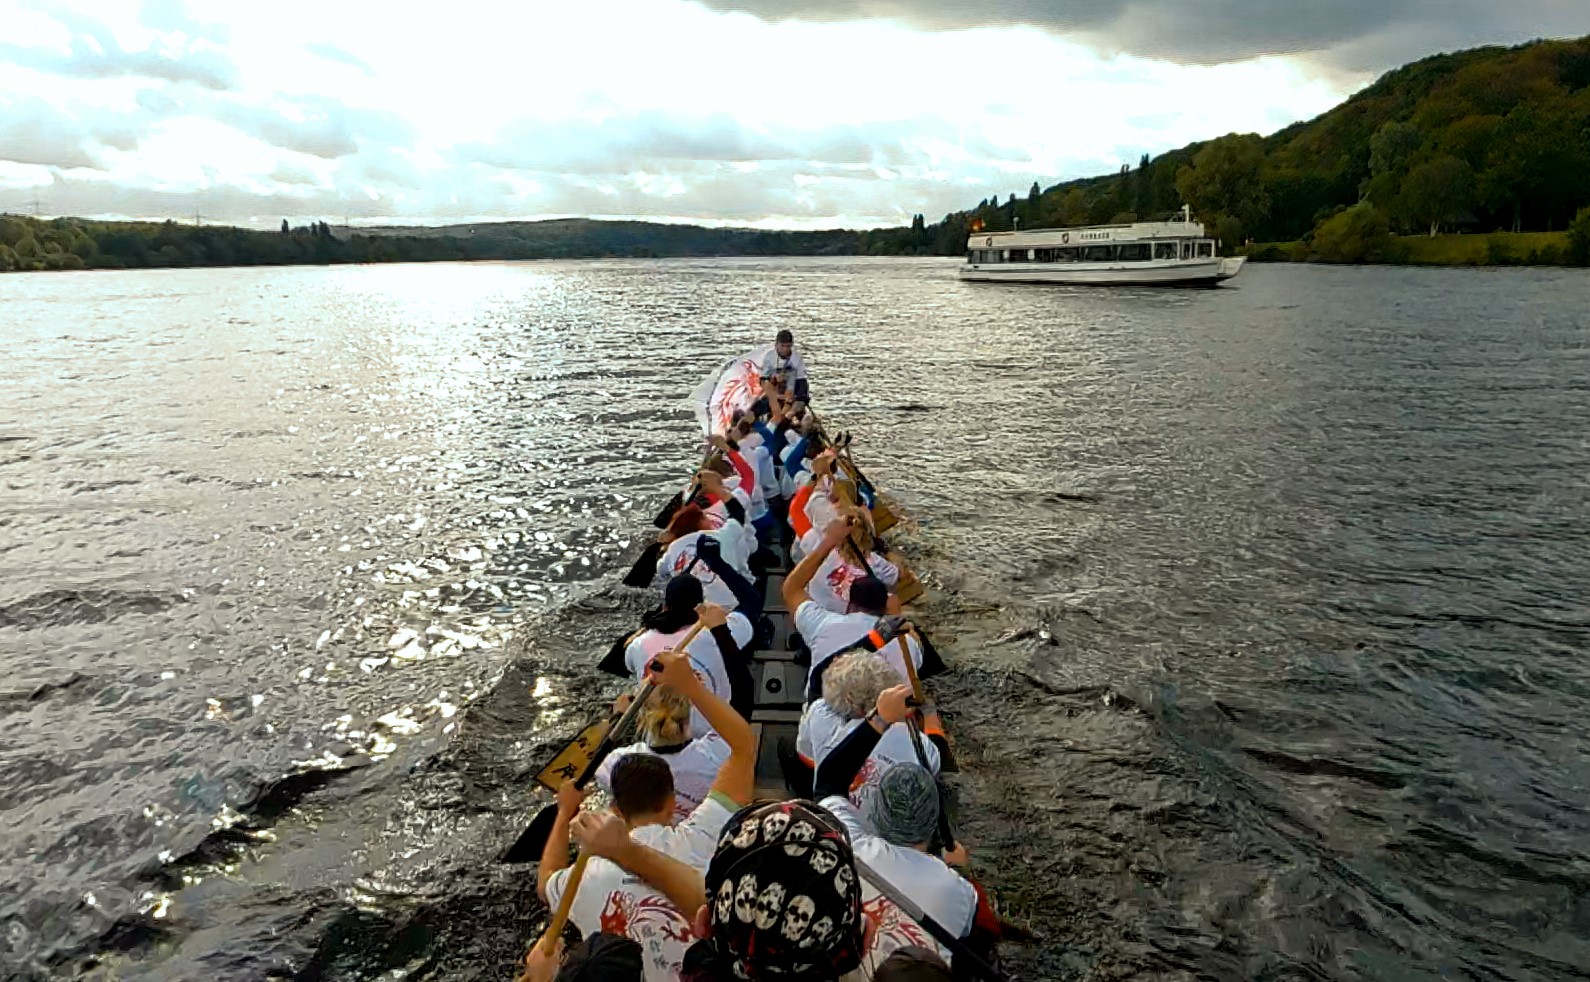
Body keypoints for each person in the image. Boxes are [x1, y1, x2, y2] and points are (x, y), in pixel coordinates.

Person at [537, 646, 756, 982]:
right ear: (670, 805)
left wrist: (565, 813)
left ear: (617, 810)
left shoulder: (584, 873)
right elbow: (743, 746)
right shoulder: (706, 832)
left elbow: (546, 882)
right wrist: (692, 687)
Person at [814, 684, 985, 968]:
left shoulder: (848, 844)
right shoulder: (959, 891)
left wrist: (880, 720)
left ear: (878, 814)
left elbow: (828, 782)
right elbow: (969, 935)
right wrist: (958, 870)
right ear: (932, 824)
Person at [784, 519, 923, 697]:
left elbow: (790, 589)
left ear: (850, 603)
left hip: (824, 703)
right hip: (877, 714)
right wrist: (898, 620)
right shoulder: (907, 644)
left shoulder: (823, 624)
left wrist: (828, 542)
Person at [797, 651, 940, 806]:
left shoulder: (819, 711)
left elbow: (806, 757)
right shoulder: (921, 745)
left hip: (834, 813)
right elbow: (933, 767)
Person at [616, 594, 754, 734]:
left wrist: (617, 716)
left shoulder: (636, 646)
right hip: (714, 730)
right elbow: (752, 599)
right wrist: (719, 628)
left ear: (665, 607)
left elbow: (629, 666)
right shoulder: (716, 749)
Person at [760, 329, 810, 404]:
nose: (785, 349)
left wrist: (800, 397)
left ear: (791, 345)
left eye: (788, 346)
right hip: (774, 388)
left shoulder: (797, 358)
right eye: (782, 346)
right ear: (776, 345)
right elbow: (764, 379)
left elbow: (802, 380)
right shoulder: (769, 357)